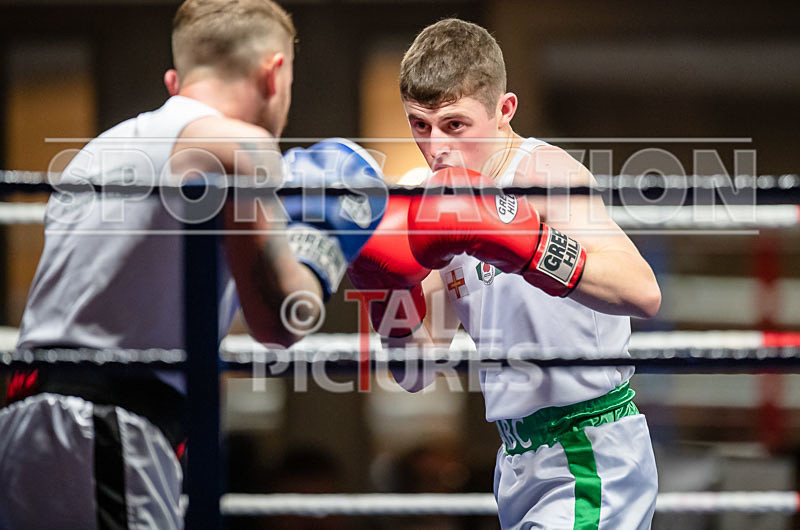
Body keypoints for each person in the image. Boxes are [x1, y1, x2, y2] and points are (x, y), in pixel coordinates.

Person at [0, 1, 385, 528]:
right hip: (105, 431)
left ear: (175, 81)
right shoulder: (242, 147)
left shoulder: (99, 149)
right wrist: (323, 242)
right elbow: (282, 320)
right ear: (274, 74)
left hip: (26, 423)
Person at [349, 18, 661, 529]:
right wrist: (385, 288)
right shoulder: (425, 199)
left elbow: (642, 292)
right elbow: (416, 371)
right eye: (420, 125)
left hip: (589, 446)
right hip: (516, 459)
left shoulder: (544, 173)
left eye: (454, 124)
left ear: (504, 110)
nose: (437, 147)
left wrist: (528, 246)